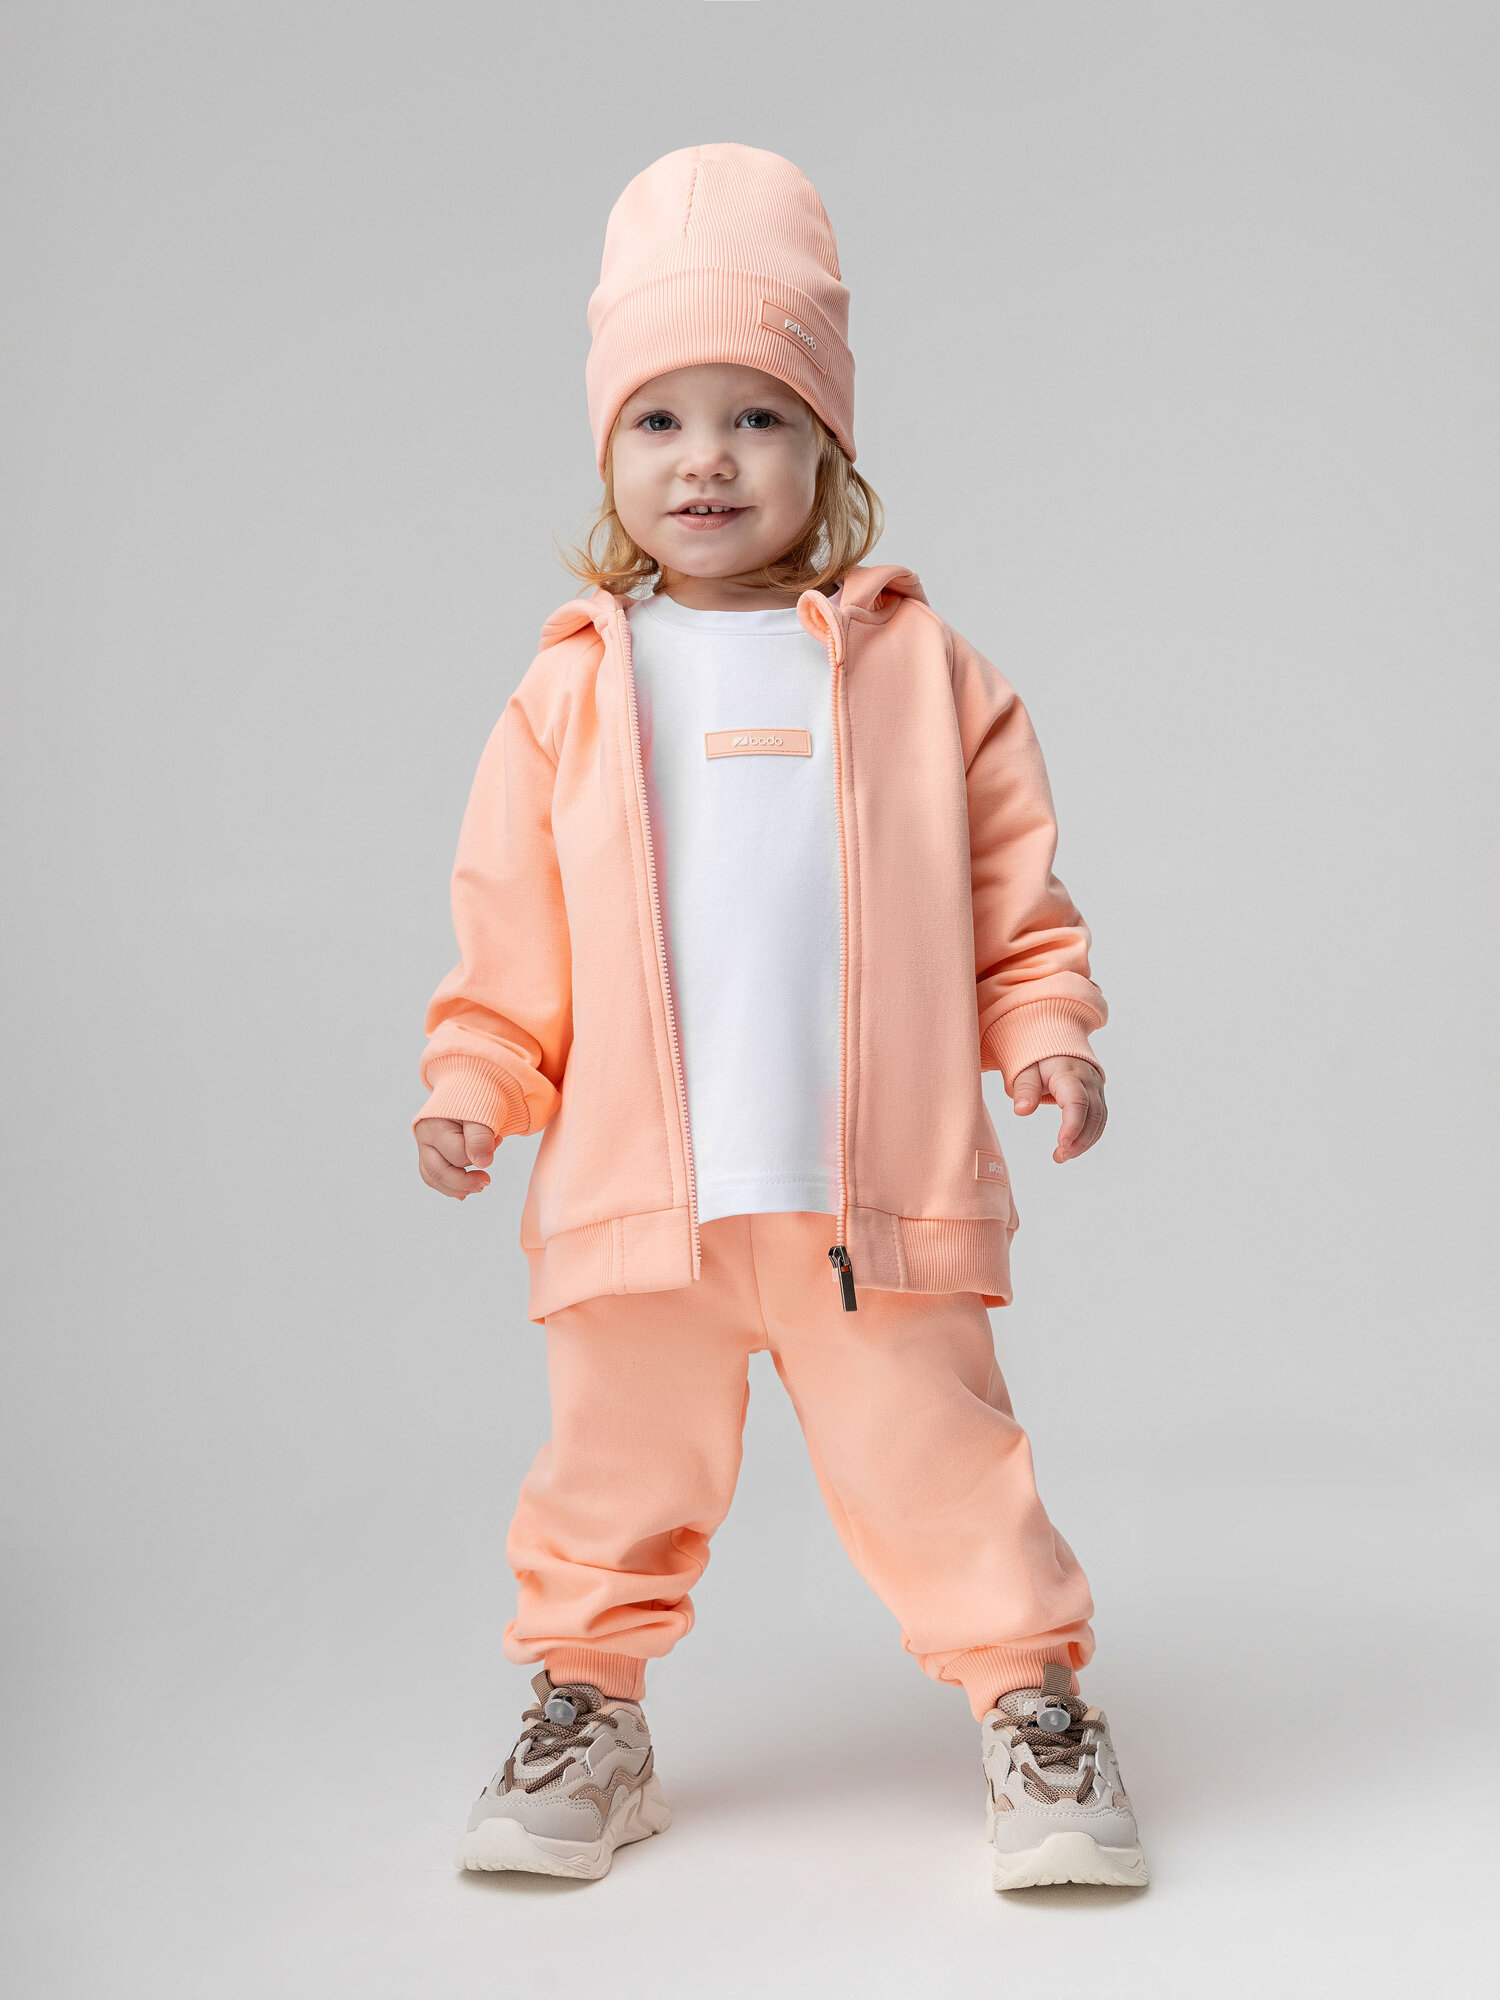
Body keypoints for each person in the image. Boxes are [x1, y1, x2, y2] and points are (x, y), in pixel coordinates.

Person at [412, 142, 1147, 1893]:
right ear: (609, 453)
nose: (708, 458)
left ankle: (1033, 1711)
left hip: (867, 1205)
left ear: (830, 453)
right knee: (609, 1478)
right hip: (636, 1208)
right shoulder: (571, 690)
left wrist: (1047, 1029)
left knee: (945, 1470)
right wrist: (475, 1079)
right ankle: (587, 1714)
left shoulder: (924, 673)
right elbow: (509, 929)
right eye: (660, 419)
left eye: (760, 416)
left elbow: (1015, 896)